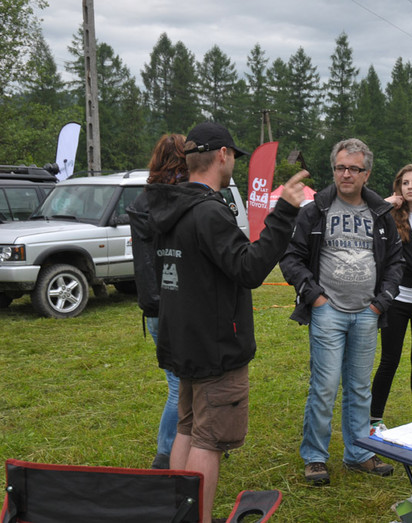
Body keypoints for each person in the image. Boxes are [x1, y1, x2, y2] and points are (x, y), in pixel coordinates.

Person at [146, 121, 307, 523]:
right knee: (209, 439)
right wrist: (284, 211)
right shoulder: (208, 211)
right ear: (223, 155)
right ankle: (196, 519)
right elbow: (249, 269)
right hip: (215, 346)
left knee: (188, 428)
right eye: (234, 155)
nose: (234, 161)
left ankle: (182, 517)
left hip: (183, 337)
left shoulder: (171, 206)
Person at [279, 138, 404, 486]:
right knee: (324, 386)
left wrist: (383, 301)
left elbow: (396, 261)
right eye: (340, 167)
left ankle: (359, 453)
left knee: (360, 387)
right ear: (334, 169)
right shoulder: (314, 210)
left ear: (367, 173)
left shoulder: (380, 215)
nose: (346, 174)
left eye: (354, 168)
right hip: (327, 311)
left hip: (368, 312)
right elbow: (291, 258)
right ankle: (315, 456)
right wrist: (314, 296)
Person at [127, 133, 188, 470]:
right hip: (172, 303)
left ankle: (189, 442)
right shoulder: (177, 202)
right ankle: (165, 453)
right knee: (180, 386)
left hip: (153, 305)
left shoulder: (143, 201)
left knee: (182, 383)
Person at [370, 164, 412, 428]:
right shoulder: (390, 214)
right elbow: (366, 219)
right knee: (390, 359)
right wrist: (385, 204)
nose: (409, 187)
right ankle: (374, 419)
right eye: (404, 182)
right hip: (396, 299)